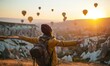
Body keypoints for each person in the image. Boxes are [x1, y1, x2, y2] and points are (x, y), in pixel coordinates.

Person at [1, 24, 83, 66]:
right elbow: (64, 43)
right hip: (51, 64)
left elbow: (28, 39)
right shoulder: (52, 41)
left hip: (41, 63)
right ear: (50, 31)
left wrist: (19, 37)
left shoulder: (38, 39)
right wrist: (77, 42)